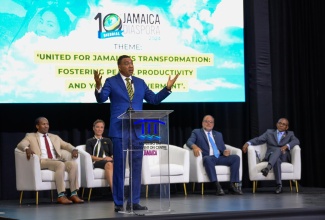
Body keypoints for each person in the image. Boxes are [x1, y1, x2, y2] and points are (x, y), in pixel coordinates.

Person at [94, 55, 179, 212]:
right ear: (119, 67)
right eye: (126, 63)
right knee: (119, 167)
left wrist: (167, 89)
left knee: (136, 167)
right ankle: (119, 202)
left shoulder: (140, 82)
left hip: (137, 131)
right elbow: (102, 99)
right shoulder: (111, 81)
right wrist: (98, 86)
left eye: (132, 63)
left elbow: (153, 100)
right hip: (120, 129)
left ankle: (134, 201)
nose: (130, 66)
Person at [16, 117, 84, 204]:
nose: (46, 126)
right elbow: (21, 144)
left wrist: (74, 149)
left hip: (55, 160)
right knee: (60, 164)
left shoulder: (54, 137)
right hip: (42, 161)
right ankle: (61, 195)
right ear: (37, 126)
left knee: (73, 164)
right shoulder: (30, 136)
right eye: (43, 124)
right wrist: (26, 148)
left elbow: (66, 145)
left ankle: (73, 194)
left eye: (47, 124)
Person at [186, 115, 243, 196]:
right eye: (206, 121)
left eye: (211, 122)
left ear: (213, 124)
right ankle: (217, 187)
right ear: (202, 123)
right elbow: (189, 142)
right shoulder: (197, 132)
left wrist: (225, 152)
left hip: (219, 157)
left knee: (236, 158)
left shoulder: (218, 134)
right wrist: (195, 147)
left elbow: (222, 148)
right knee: (208, 159)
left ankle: (232, 185)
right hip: (208, 158)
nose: (209, 123)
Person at [242, 118, 300, 194]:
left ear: (287, 127)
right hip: (270, 155)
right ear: (277, 124)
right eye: (280, 123)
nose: (281, 125)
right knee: (277, 160)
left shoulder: (290, 134)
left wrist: (286, 146)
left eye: (283, 124)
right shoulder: (269, 133)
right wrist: (247, 143)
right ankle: (279, 185)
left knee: (279, 150)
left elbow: (296, 141)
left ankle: (268, 168)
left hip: (283, 156)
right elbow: (258, 140)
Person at [85, 119, 113, 192]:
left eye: (101, 127)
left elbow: (113, 154)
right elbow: (90, 156)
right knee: (109, 164)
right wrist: (103, 159)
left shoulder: (108, 140)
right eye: (97, 127)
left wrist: (111, 158)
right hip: (97, 162)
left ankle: (123, 190)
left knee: (116, 164)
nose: (99, 129)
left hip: (108, 161)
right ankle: (113, 190)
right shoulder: (90, 141)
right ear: (93, 128)